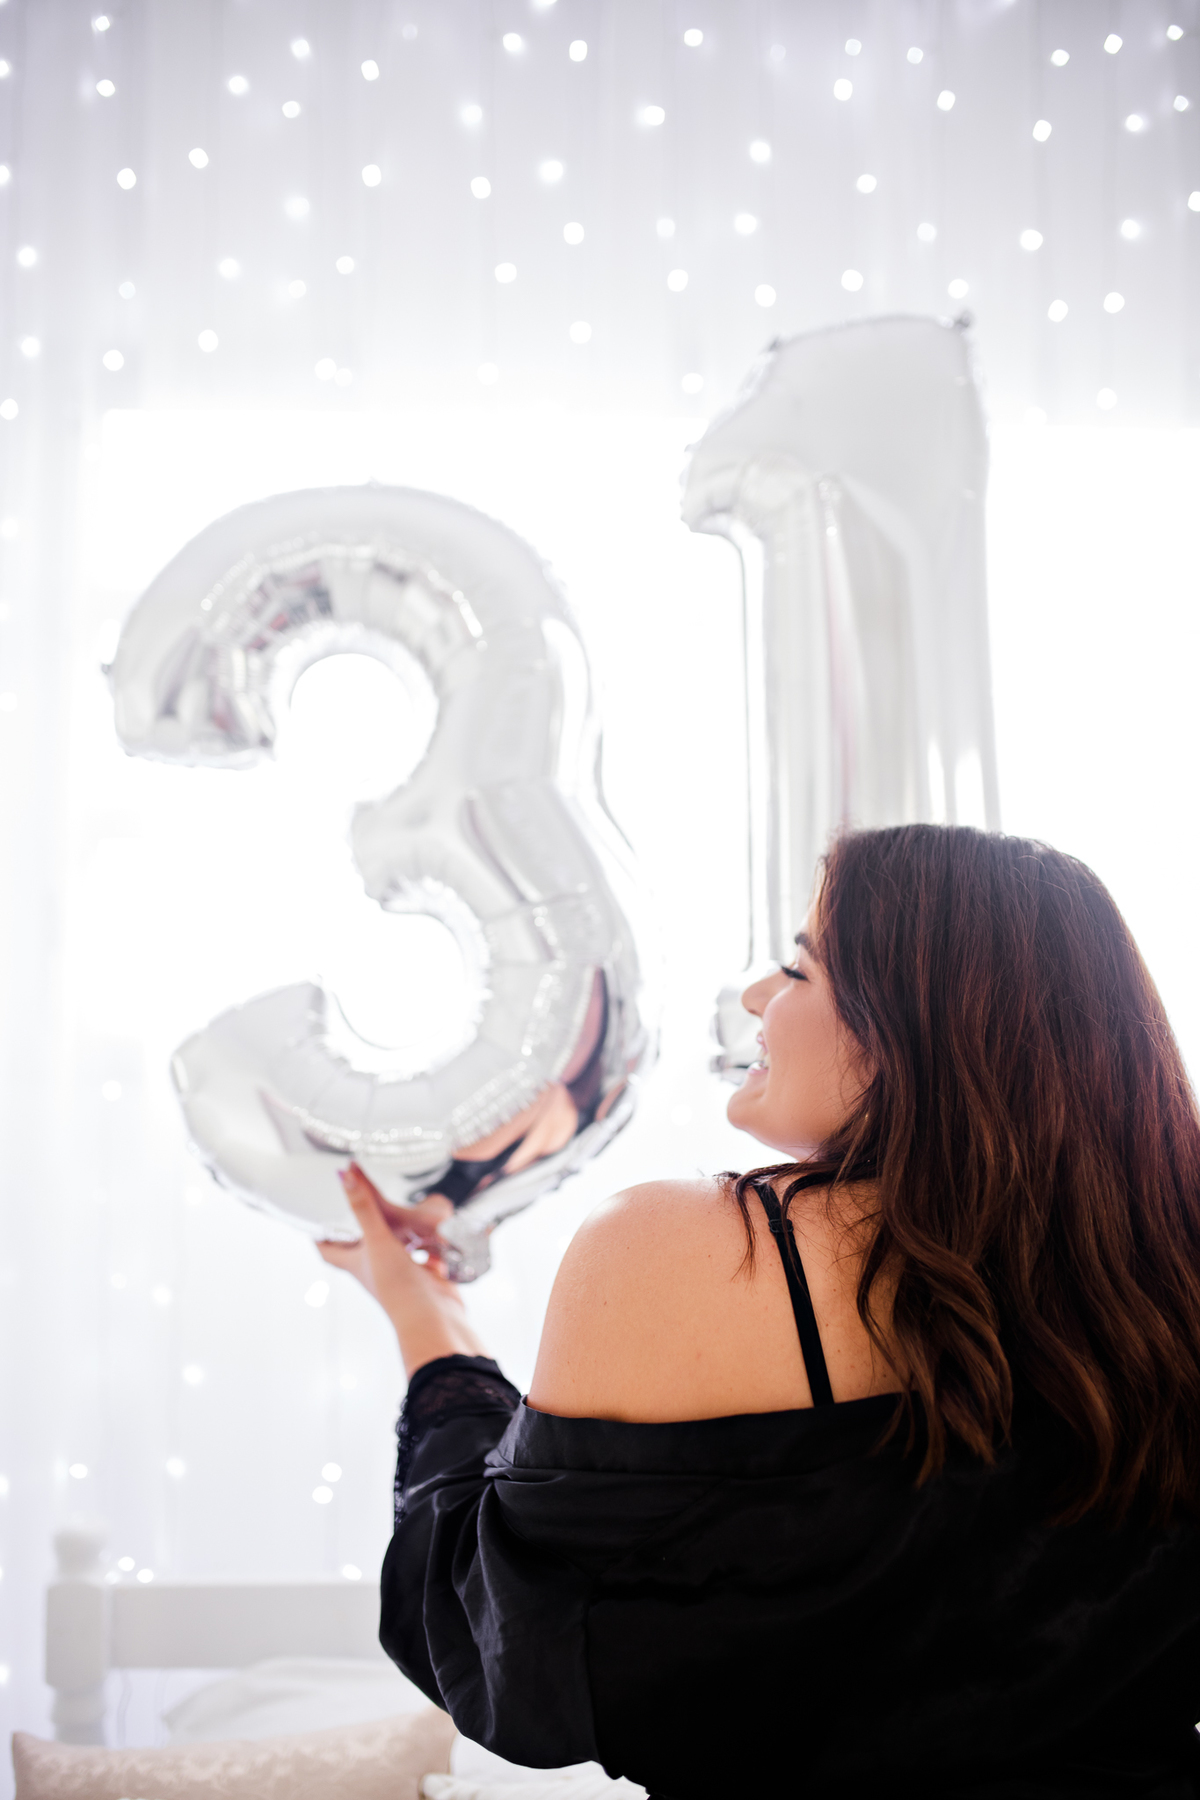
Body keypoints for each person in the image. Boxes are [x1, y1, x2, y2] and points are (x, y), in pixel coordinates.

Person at [319, 825, 1200, 1799]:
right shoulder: (1169, 1288)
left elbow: (501, 1650)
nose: (754, 996)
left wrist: (423, 1317)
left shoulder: (679, 1248)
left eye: (799, 968)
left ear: (911, 1029)